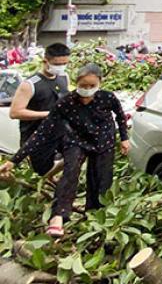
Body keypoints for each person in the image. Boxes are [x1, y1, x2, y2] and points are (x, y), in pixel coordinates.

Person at [0, 64, 130, 237]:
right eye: (83, 86)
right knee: (70, 172)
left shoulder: (108, 98)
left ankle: (94, 217)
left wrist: (124, 138)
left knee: (101, 179)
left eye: (92, 86)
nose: (87, 90)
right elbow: (41, 133)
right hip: (76, 140)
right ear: (76, 83)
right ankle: (58, 217)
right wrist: (14, 160)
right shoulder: (65, 103)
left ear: (100, 83)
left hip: (103, 141)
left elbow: (121, 117)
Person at [9, 43, 71, 175]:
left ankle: (51, 180)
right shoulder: (30, 84)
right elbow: (15, 112)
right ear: (45, 61)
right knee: (40, 172)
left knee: (73, 156)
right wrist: (47, 114)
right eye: (57, 64)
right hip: (35, 137)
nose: (61, 67)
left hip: (58, 134)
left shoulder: (64, 78)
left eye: (64, 63)